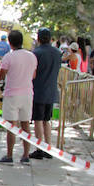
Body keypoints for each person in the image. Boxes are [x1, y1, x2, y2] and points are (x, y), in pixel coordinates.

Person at [0, 30, 37, 164]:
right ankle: (25, 155)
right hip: (27, 93)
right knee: (25, 125)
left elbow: (0, 75)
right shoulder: (31, 56)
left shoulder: (9, 57)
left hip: (12, 94)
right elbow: (34, 75)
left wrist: (0, 71)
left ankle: (9, 155)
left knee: (11, 126)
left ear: (10, 42)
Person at [30, 28, 62, 159]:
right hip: (51, 90)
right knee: (46, 120)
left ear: (38, 38)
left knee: (38, 120)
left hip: (38, 90)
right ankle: (48, 147)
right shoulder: (57, 52)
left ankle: (39, 148)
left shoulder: (36, 53)